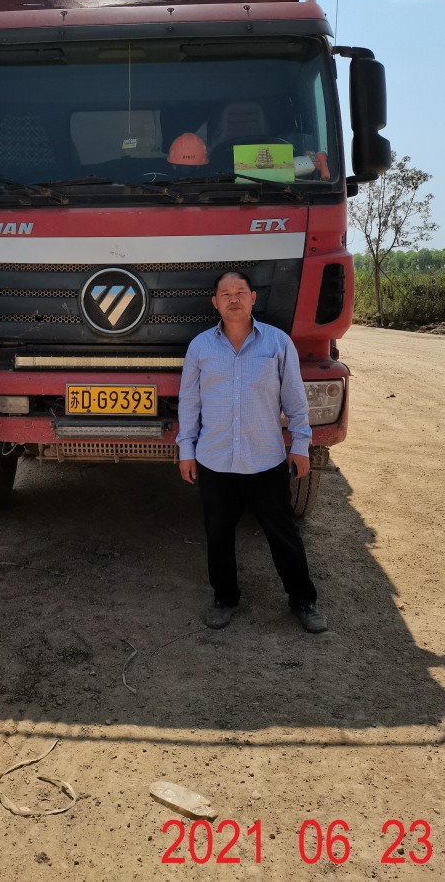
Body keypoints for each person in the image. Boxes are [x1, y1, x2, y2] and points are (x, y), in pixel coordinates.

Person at [176, 270, 327, 633]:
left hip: (265, 460)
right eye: (225, 293)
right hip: (215, 461)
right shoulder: (200, 347)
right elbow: (189, 403)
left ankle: (303, 600)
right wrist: (186, 450)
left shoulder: (277, 343)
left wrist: (301, 446)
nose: (233, 299)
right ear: (215, 302)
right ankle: (224, 598)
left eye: (240, 292)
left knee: (283, 534)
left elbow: (295, 401)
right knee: (218, 535)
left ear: (253, 298)